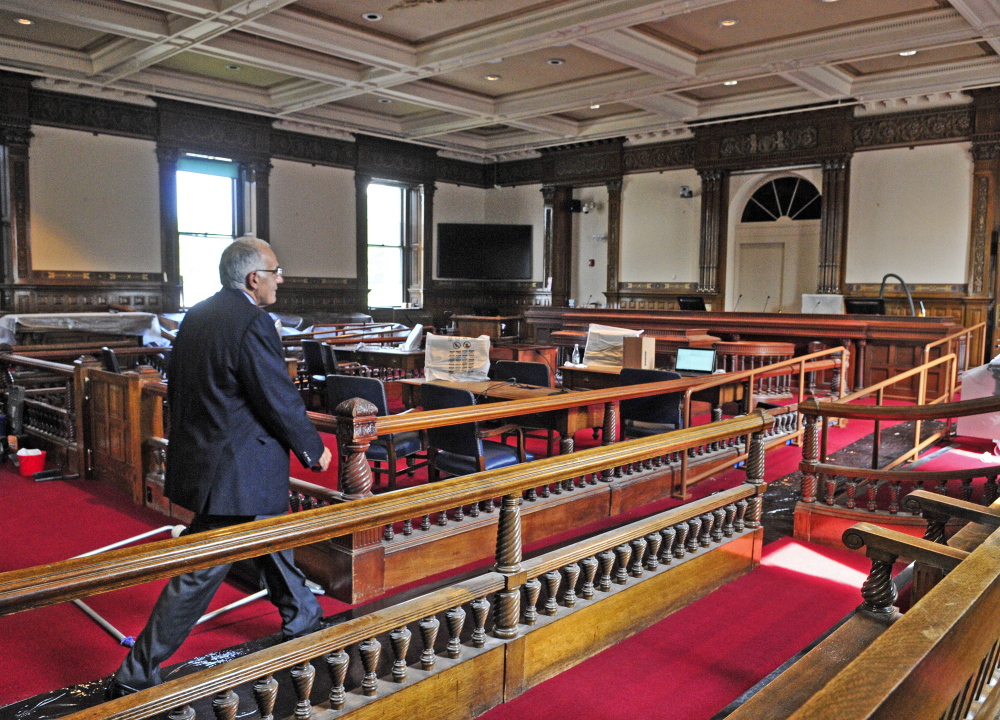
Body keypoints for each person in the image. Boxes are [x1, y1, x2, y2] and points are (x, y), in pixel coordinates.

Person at [107, 237, 333, 697]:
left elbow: (185, 387)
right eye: (275, 271)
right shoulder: (253, 322)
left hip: (211, 459)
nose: (280, 279)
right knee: (199, 572)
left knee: (273, 538)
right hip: (236, 472)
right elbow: (276, 395)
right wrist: (313, 447)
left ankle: (304, 616)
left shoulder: (198, 313)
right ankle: (134, 674)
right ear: (254, 278)